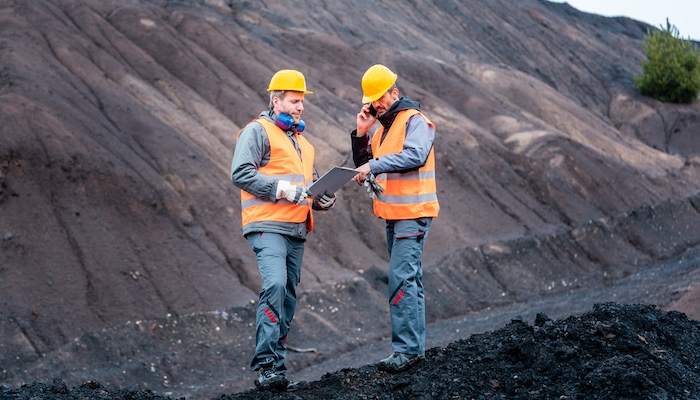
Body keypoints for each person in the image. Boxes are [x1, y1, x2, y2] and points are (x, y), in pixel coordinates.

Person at [230, 69, 336, 391]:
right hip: (266, 225)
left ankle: (276, 367)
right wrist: (281, 189)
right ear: (276, 101)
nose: (300, 107)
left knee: (288, 297)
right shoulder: (257, 131)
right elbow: (240, 173)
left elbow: (308, 188)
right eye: (294, 101)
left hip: (296, 229)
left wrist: (323, 199)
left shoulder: (304, 144)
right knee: (275, 284)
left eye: (302, 102)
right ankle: (264, 366)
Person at [349, 64, 439, 372]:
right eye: (372, 100)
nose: (376, 104)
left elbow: (415, 155)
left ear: (395, 92)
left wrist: (373, 168)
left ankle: (406, 350)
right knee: (410, 279)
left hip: (413, 213)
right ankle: (415, 350)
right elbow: (367, 163)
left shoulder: (415, 121)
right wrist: (361, 134)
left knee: (401, 278)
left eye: (380, 98)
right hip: (394, 214)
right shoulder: (382, 130)